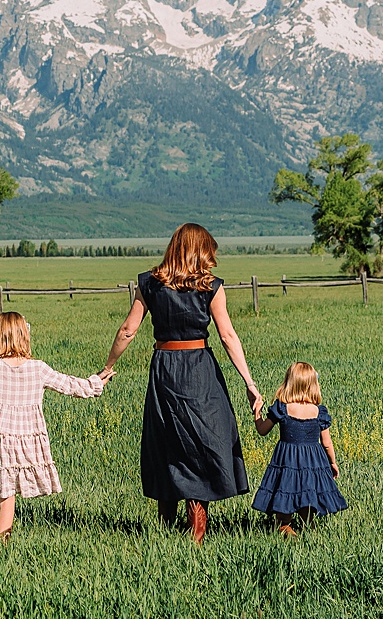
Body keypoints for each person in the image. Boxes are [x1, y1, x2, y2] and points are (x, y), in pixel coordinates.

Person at [99, 223, 261, 542]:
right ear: (200, 250)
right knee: (203, 439)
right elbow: (227, 335)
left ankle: (167, 522)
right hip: (200, 367)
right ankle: (196, 522)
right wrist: (249, 382)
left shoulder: (149, 283)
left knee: (166, 440)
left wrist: (108, 367)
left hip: (164, 367)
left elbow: (127, 331)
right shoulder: (211, 286)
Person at [0, 312, 108, 541]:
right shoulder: (38, 368)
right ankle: (2, 536)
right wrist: (96, 382)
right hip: (23, 438)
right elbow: (70, 385)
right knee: (7, 486)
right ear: (25, 335)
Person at [252, 362, 347, 536]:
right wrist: (332, 462)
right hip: (313, 462)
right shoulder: (319, 412)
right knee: (308, 499)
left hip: (287, 460)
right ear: (313, 385)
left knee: (285, 498)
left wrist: (257, 413)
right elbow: (327, 443)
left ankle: (286, 529)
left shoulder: (281, 408)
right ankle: (308, 533)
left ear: (289, 383)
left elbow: (262, 430)